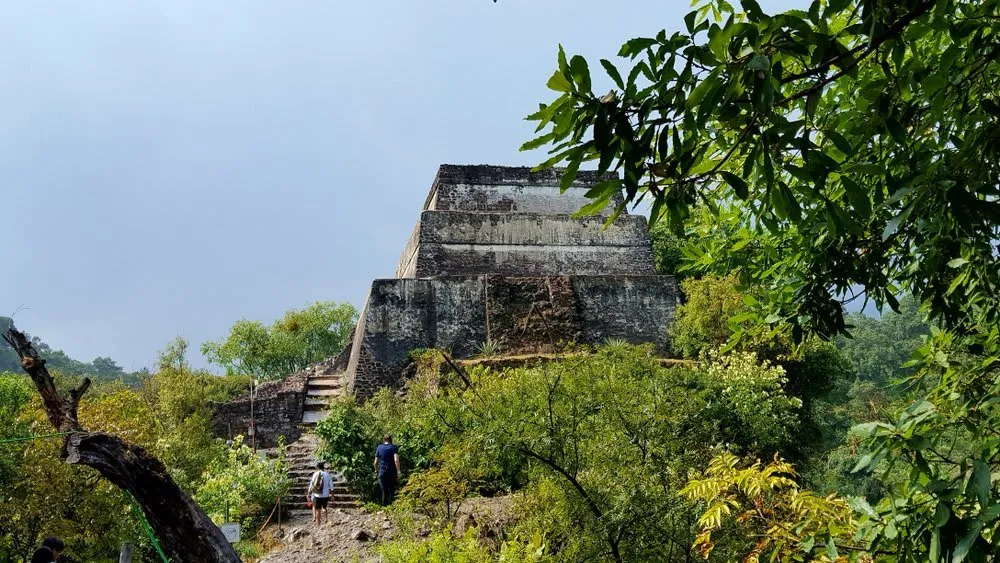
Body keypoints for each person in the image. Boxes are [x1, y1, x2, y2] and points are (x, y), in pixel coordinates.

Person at [373, 434, 401, 506]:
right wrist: (399, 472)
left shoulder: (379, 447)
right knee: (392, 489)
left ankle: (384, 508)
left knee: (384, 491)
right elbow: (396, 460)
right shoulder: (394, 447)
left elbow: (375, 462)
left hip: (382, 471)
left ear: (384, 439)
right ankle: (393, 507)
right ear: (390, 440)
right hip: (392, 471)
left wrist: (376, 471)